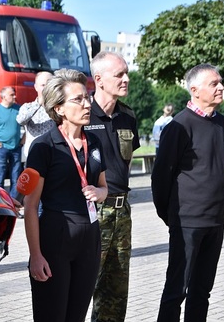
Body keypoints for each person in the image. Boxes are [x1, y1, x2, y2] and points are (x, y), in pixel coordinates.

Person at [23, 69, 108, 322]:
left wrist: (98, 192)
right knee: (52, 316)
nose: (87, 104)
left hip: (89, 238)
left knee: (76, 317)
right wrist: (36, 256)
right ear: (58, 108)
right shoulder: (43, 146)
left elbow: (104, 187)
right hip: (56, 238)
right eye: (78, 99)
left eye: (87, 98)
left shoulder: (94, 142)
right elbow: (30, 206)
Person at [151, 63, 224, 322]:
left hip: (216, 221)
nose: (221, 87)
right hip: (187, 222)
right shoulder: (179, 126)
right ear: (195, 90)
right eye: (214, 84)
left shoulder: (223, 125)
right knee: (176, 291)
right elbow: (161, 177)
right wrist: (171, 215)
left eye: (220, 82)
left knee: (202, 291)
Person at [85, 51, 140, 322]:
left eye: (126, 73)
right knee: (83, 287)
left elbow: (126, 165)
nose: (126, 79)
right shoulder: (82, 115)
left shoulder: (127, 117)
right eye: (119, 74)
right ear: (99, 80)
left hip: (121, 212)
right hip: (92, 212)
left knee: (116, 291)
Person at [0, 86, 24, 198]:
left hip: (16, 148)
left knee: (15, 178)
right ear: (4, 97)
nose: (14, 96)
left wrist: (22, 141)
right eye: (11, 94)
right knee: (0, 177)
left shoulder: (19, 109)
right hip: (2, 148)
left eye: (14, 94)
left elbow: (28, 127)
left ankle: (13, 203)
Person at [16, 71, 55, 162]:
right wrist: (39, 104)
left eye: (49, 85)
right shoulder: (27, 107)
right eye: (43, 85)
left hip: (54, 154)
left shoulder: (59, 108)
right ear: (36, 87)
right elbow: (20, 120)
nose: (46, 88)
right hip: (34, 154)